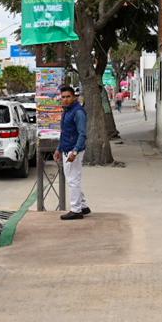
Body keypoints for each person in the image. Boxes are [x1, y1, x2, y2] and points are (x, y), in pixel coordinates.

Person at [56, 84, 91, 221]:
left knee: (73, 180)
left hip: (74, 150)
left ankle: (76, 210)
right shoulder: (67, 111)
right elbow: (64, 132)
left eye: (68, 97)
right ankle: (82, 205)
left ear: (74, 97)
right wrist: (59, 149)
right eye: (63, 97)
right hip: (66, 148)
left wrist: (75, 151)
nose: (65, 99)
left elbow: (82, 134)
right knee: (73, 179)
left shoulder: (78, 112)